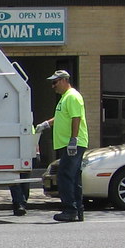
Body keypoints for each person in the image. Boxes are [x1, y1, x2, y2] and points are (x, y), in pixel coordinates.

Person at [36, 70, 88, 222]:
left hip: (72, 144)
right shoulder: (65, 98)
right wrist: (47, 124)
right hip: (68, 144)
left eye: (55, 82)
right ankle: (77, 210)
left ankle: (70, 210)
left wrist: (73, 140)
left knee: (64, 176)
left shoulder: (72, 96)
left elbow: (76, 118)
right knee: (73, 177)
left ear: (64, 80)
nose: (53, 86)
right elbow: (61, 116)